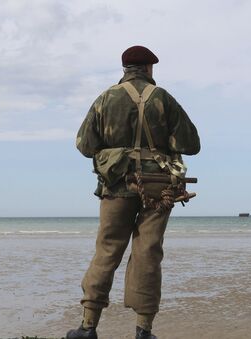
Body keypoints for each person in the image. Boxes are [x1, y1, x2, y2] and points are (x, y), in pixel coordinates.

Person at [66, 46, 200, 339]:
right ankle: (144, 330)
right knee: (148, 253)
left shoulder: (105, 99)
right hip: (158, 189)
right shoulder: (163, 98)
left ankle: (88, 327)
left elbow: (85, 145)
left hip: (116, 185)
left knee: (108, 249)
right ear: (149, 68)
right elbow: (191, 143)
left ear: (125, 68)